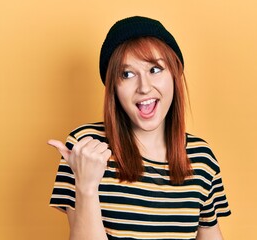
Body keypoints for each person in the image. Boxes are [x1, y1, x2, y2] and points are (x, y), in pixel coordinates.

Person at [48, 16, 231, 240]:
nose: (144, 87)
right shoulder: (86, 147)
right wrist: (86, 186)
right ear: (113, 88)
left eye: (155, 69)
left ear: (174, 75)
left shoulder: (200, 156)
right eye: (127, 74)